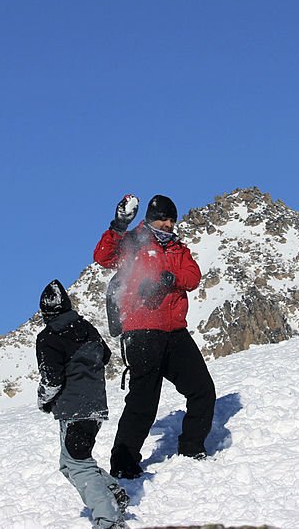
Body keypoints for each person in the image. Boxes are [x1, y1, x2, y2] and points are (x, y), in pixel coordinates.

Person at [94, 194, 216, 480]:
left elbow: (193, 276)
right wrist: (118, 226)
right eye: (163, 218)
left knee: (202, 390)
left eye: (172, 220)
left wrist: (170, 277)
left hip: (174, 331)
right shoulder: (133, 242)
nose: (168, 224)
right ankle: (123, 463)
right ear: (150, 218)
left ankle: (191, 449)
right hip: (142, 331)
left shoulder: (177, 248)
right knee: (143, 401)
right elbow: (103, 257)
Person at [36, 279, 129, 529]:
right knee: (70, 463)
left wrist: (44, 400)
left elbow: (52, 379)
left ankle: (108, 520)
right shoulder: (86, 327)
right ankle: (113, 492)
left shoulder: (48, 337)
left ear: (45, 312)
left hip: (73, 410)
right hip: (96, 406)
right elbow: (106, 356)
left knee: (77, 465)